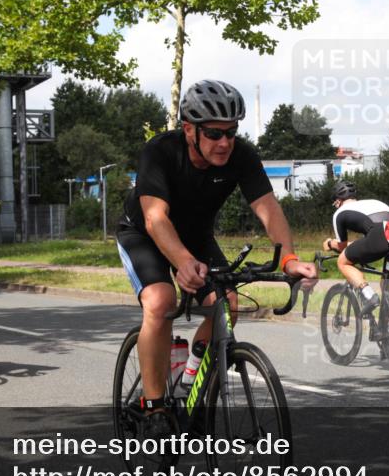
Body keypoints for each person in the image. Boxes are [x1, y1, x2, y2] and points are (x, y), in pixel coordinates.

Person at [116, 79, 317, 436]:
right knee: (162, 300)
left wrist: (289, 259)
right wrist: (181, 262)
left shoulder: (241, 156)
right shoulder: (160, 152)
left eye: (231, 132)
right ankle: (154, 406)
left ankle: (190, 379)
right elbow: (155, 218)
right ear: (189, 129)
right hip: (143, 235)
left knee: (228, 304)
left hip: (196, 237)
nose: (224, 142)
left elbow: (268, 208)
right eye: (213, 133)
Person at [322, 180, 389, 316]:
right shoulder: (373, 202)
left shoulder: (339, 213)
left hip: (380, 235)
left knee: (342, 262)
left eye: (335, 202)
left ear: (338, 200)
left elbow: (342, 246)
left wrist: (329, 243)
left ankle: (368, 295)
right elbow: (370, 239)